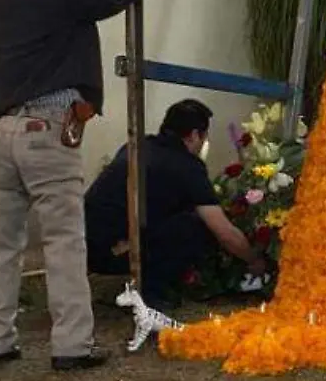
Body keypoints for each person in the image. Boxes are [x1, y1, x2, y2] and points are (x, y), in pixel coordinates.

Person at [0, 0, 154, 372]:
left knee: (1, 242)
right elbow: (106, 1)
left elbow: (73, 6)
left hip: (5, 129)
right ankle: (72, 344)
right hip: (50, 129)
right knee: (63, 240)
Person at [84, 99, 266, 306]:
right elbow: (223, 232)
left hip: (85, 248)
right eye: (204, 137)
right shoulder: (187, 167)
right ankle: (153, 294)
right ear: (195, 135)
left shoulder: (137, 145)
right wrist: (253, 259)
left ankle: (146, 281)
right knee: (195, 226)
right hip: (114, 253)